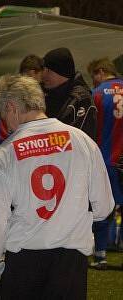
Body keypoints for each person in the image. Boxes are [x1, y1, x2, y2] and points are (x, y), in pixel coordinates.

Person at [0, 74, 114, 300]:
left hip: (24, 259)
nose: (6, 125)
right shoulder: (83, 141)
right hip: (70, 261)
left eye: (4, 116)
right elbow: (104, 208)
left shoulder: (4, 154)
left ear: (12, 107)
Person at [0, 54, 44, 260]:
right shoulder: (6, 104)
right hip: (5, 165)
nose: (31, 82)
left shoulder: (39, 105)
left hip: (29, 167)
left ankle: (11, 251)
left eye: (35, 77)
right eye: (27, 76)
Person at [87, 57, 123, 269]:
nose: (94, 82)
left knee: (102, 207)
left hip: (106, 159)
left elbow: (91, 128)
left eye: (94, 77)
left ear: (100, 71)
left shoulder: (97, 94)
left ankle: (100, 255)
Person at [42, 47, 97, 140]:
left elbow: (83, 139)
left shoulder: (80, 99)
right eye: (44, 69)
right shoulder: (44, 94)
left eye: (49, 71)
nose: (44, 75)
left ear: (62, 72)